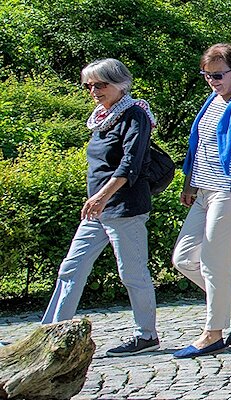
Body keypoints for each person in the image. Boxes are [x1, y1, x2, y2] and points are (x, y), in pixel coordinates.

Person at [41, 58, 161, 355]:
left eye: (100, 84)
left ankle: (146, 335)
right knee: (71, 268)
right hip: (97, 209)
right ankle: (51, 331)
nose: (94, 90)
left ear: (120, 84)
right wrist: (97, 200)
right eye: (89, 85)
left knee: (132, 274)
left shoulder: (135, 115)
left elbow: (130, 164)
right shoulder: (101, 118)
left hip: (124, 207)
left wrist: (101, 196)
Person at [168, 44, 231, 358]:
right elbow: (199, 146)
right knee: (184, 258)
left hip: (229, 192)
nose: (212, 80)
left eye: (218, 75)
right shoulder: (213, 99)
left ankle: (213, 332)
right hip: (204, 190)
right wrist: (189, 183)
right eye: (207, 75)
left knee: (214, 262)